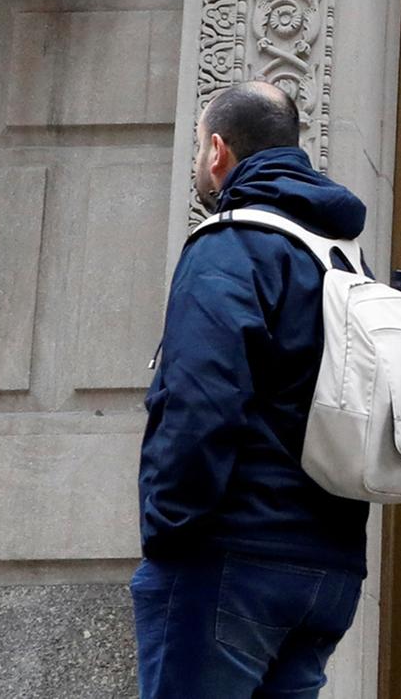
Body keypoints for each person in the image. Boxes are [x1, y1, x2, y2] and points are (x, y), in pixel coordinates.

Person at [134, 81, 371, 698]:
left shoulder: (230, 246)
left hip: (231, 560)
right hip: (329, 569)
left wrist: (167, 532)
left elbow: (199, 401)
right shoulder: (343, 258)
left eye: (198, 149)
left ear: (217, 151)